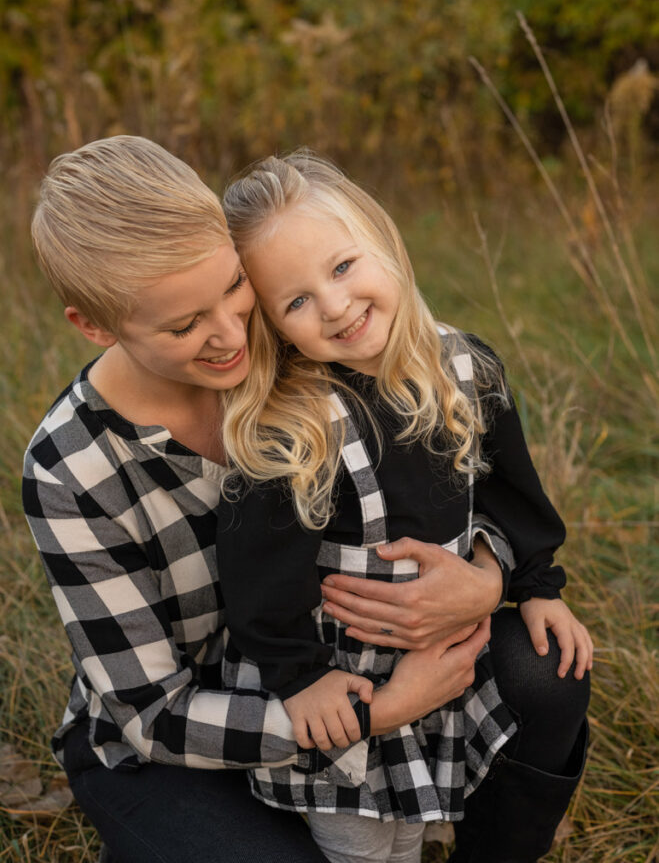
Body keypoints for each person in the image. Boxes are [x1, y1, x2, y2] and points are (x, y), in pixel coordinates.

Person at [23, 135, 515, 863]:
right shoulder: (71, 470)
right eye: (184, 325)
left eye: (231, 288)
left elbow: (450, 464)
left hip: (348, 665)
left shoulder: (302, 334)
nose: (229, 336)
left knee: (544, 674)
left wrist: (490, 574)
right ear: (93, 326)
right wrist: (377, 713)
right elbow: (151, 714)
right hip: (184, 745)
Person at [217, 150, 593, 863]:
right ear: (273, 326)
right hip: (342, 677)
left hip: (435, 661)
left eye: (342, 266)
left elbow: (509, 492)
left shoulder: (465, 369)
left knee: (412, 832)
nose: (333, 305)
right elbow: (256, 577)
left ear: (383, 242)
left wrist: (536, 584)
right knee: (362, 843)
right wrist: (301, 677)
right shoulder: (297, 428)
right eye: (295, 301)